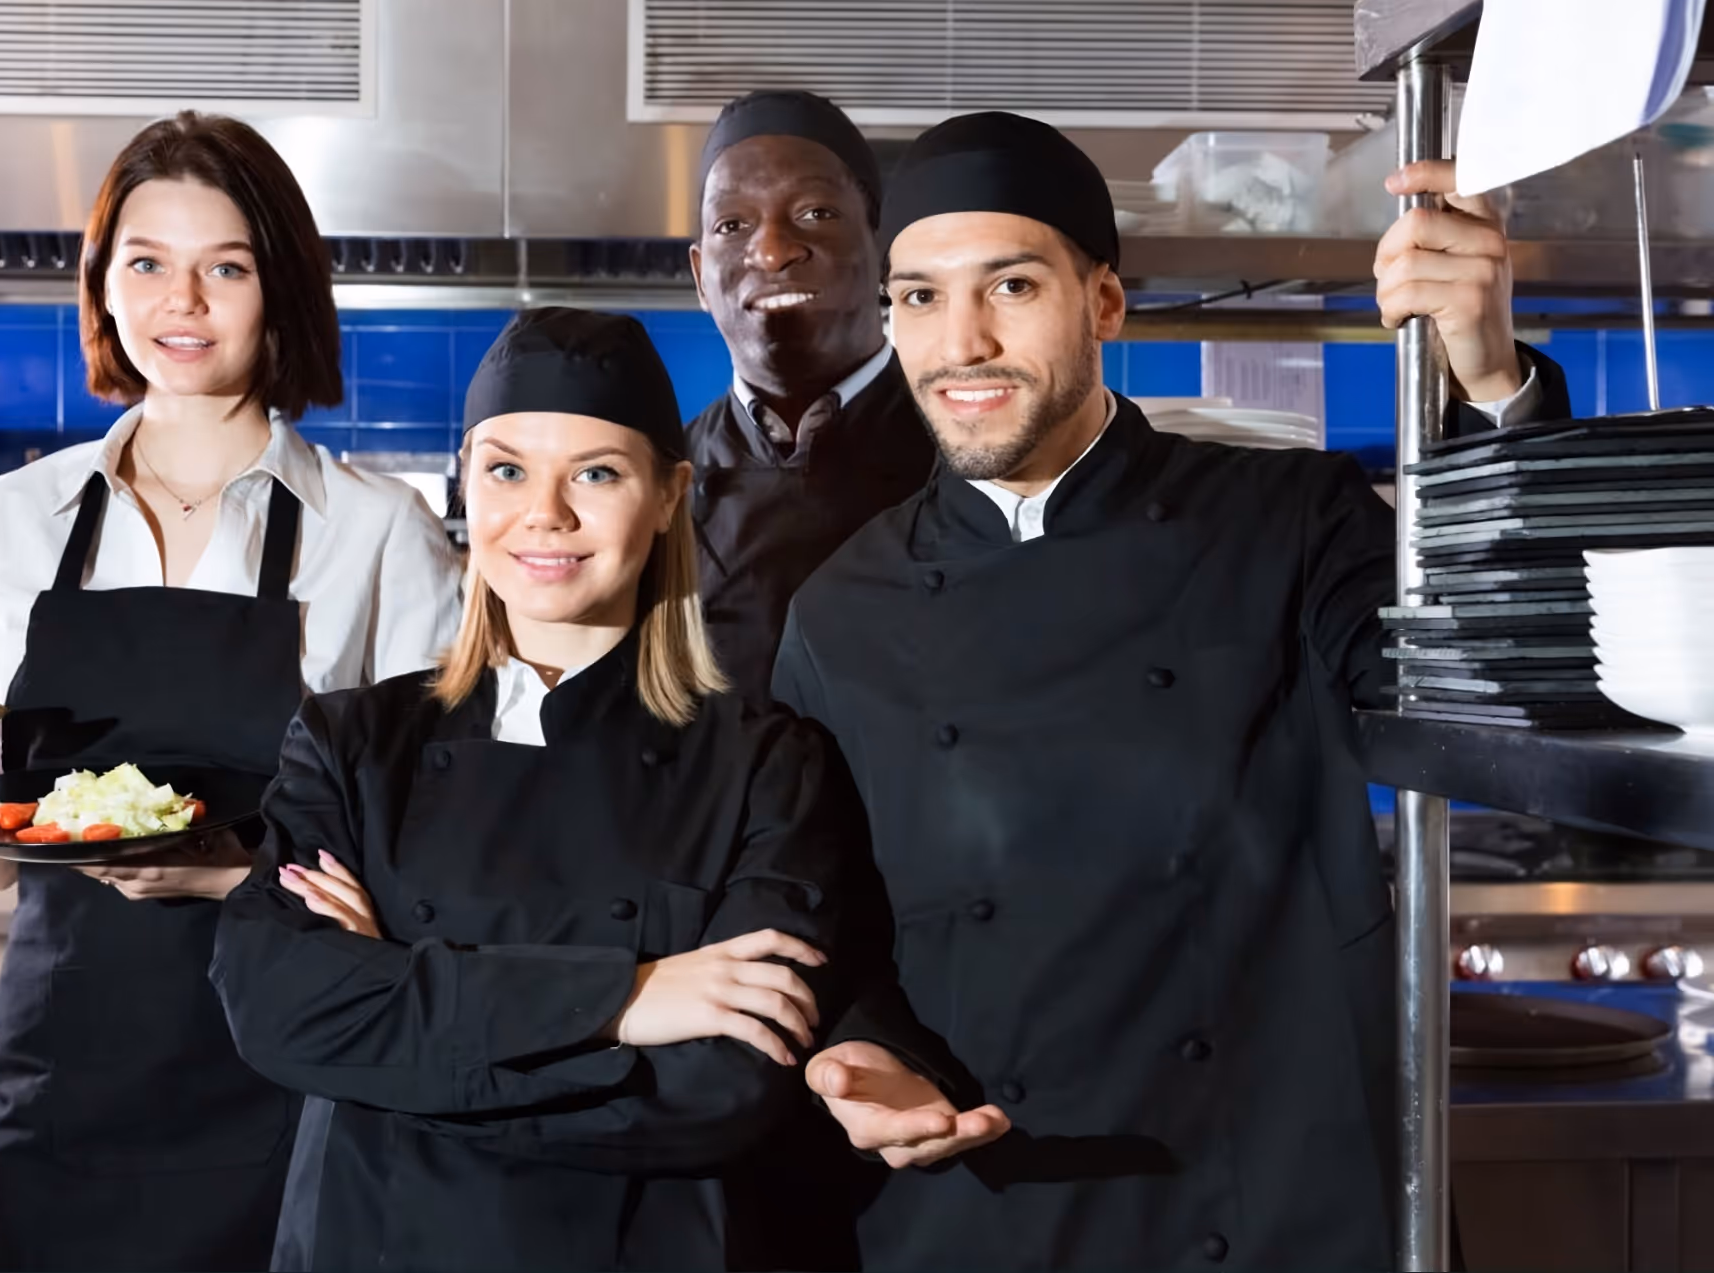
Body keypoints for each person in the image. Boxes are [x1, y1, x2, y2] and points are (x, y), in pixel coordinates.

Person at [774, 115, 1571, 1269]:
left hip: (1262, 1201)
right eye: (918, 297)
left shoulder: (1289, 523)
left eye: (1010, 285)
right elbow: (812, 917)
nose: (962, 341)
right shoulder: (837, 608)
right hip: (983, 1199)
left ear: (1102, 302)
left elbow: (1501, 685)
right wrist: (848, 1055)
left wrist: (1487, 378)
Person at [0, 112, 461, 1272]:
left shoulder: (379, 531)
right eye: (145, 262)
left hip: (300, 1077)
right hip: (68, 1077)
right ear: (103, 287)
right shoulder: (16, 517)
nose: (180, 301)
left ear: (279, 289)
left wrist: (232, 868)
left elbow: (438, 853)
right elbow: (0, 850)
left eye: (225, 267)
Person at [211, 307, 863, 1271]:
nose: (545, 514)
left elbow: (726, 1087)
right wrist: (630, 996)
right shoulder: (351, 741)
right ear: (466, 483)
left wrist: (394, 1039)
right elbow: (278, 1008)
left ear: (669, 496)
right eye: (508, 469)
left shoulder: (767, 761)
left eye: (596, 473)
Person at [685, 90, 937, 703]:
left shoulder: (980, 455)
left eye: (816, 213)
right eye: (732, 225)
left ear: (884, 251)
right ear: (699, 277)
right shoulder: (656, 478)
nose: (771, 250)